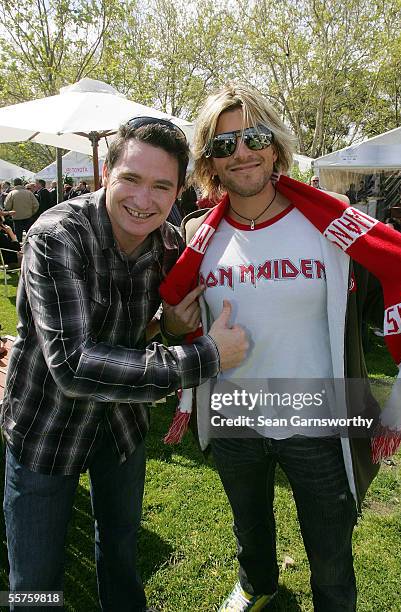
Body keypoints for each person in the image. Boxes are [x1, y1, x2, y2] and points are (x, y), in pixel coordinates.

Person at [162, 83, 401, 612]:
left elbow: (387, 298)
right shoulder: (198, 231)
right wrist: (178, 328)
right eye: (225, 145)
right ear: (212, 163)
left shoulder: (332, 222)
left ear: (274, 146)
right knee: (248, 522)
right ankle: (257, 582)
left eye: (252, 137)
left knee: (330, 545)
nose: (241, 152)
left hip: (317, 411)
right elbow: (185, 322)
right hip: (236, 413)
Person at [1, 117, 248, 612]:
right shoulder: (56, 237)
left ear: (178, 191)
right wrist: (204, 356)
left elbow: (148, 327)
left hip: (121, 427)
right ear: (106, 175)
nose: (144, 199)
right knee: (35, 583)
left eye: (161, 186)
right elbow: (73, 364)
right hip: (46, 428)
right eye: (131, 179)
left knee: (120, 552)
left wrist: (174, 329)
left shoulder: (170, 244)